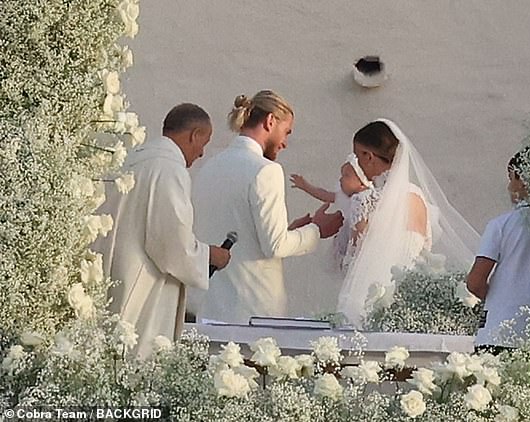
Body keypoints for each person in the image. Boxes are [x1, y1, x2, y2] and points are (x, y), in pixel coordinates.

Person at [191, 90, 343, 324]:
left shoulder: (209, 167)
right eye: (287, 131)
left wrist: (290, 230)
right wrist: (316, 231)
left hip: (210, 309)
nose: (285, 143)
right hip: (253, 312)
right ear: (270, 121)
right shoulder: (266, 170)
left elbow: (241, 232)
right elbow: (275, 246)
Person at [94, 103, 231, 358]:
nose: (201, 153)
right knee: (137, 366)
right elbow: (171, 245)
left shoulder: (132, 160)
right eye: (205, 143)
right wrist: (209, 255)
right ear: (194, 135)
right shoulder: (169, 169)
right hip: (145, 290)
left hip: (114, 279)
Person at [337, 119, 480, 326]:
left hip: (369, 297)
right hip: (410, 301)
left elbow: (353, 259)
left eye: (357, 156)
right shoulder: (418, 197)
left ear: (368, 157)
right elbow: (423, 250)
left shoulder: (366, 200)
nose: (355, 163)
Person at [466, 150, 530, 352]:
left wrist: (500, 298)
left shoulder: (501, 225)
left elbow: (475, 281)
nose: (509, 187)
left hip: (500, 329)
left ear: (522, 179)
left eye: (511, 178)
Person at [290, 153, 373, 269]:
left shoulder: (366, 200)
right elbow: (325, 194)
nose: (341, 179)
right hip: (345, 237)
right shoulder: (344, 196)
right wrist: (306, 186)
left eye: (346, 175)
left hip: (359, 240)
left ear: (362, 184)